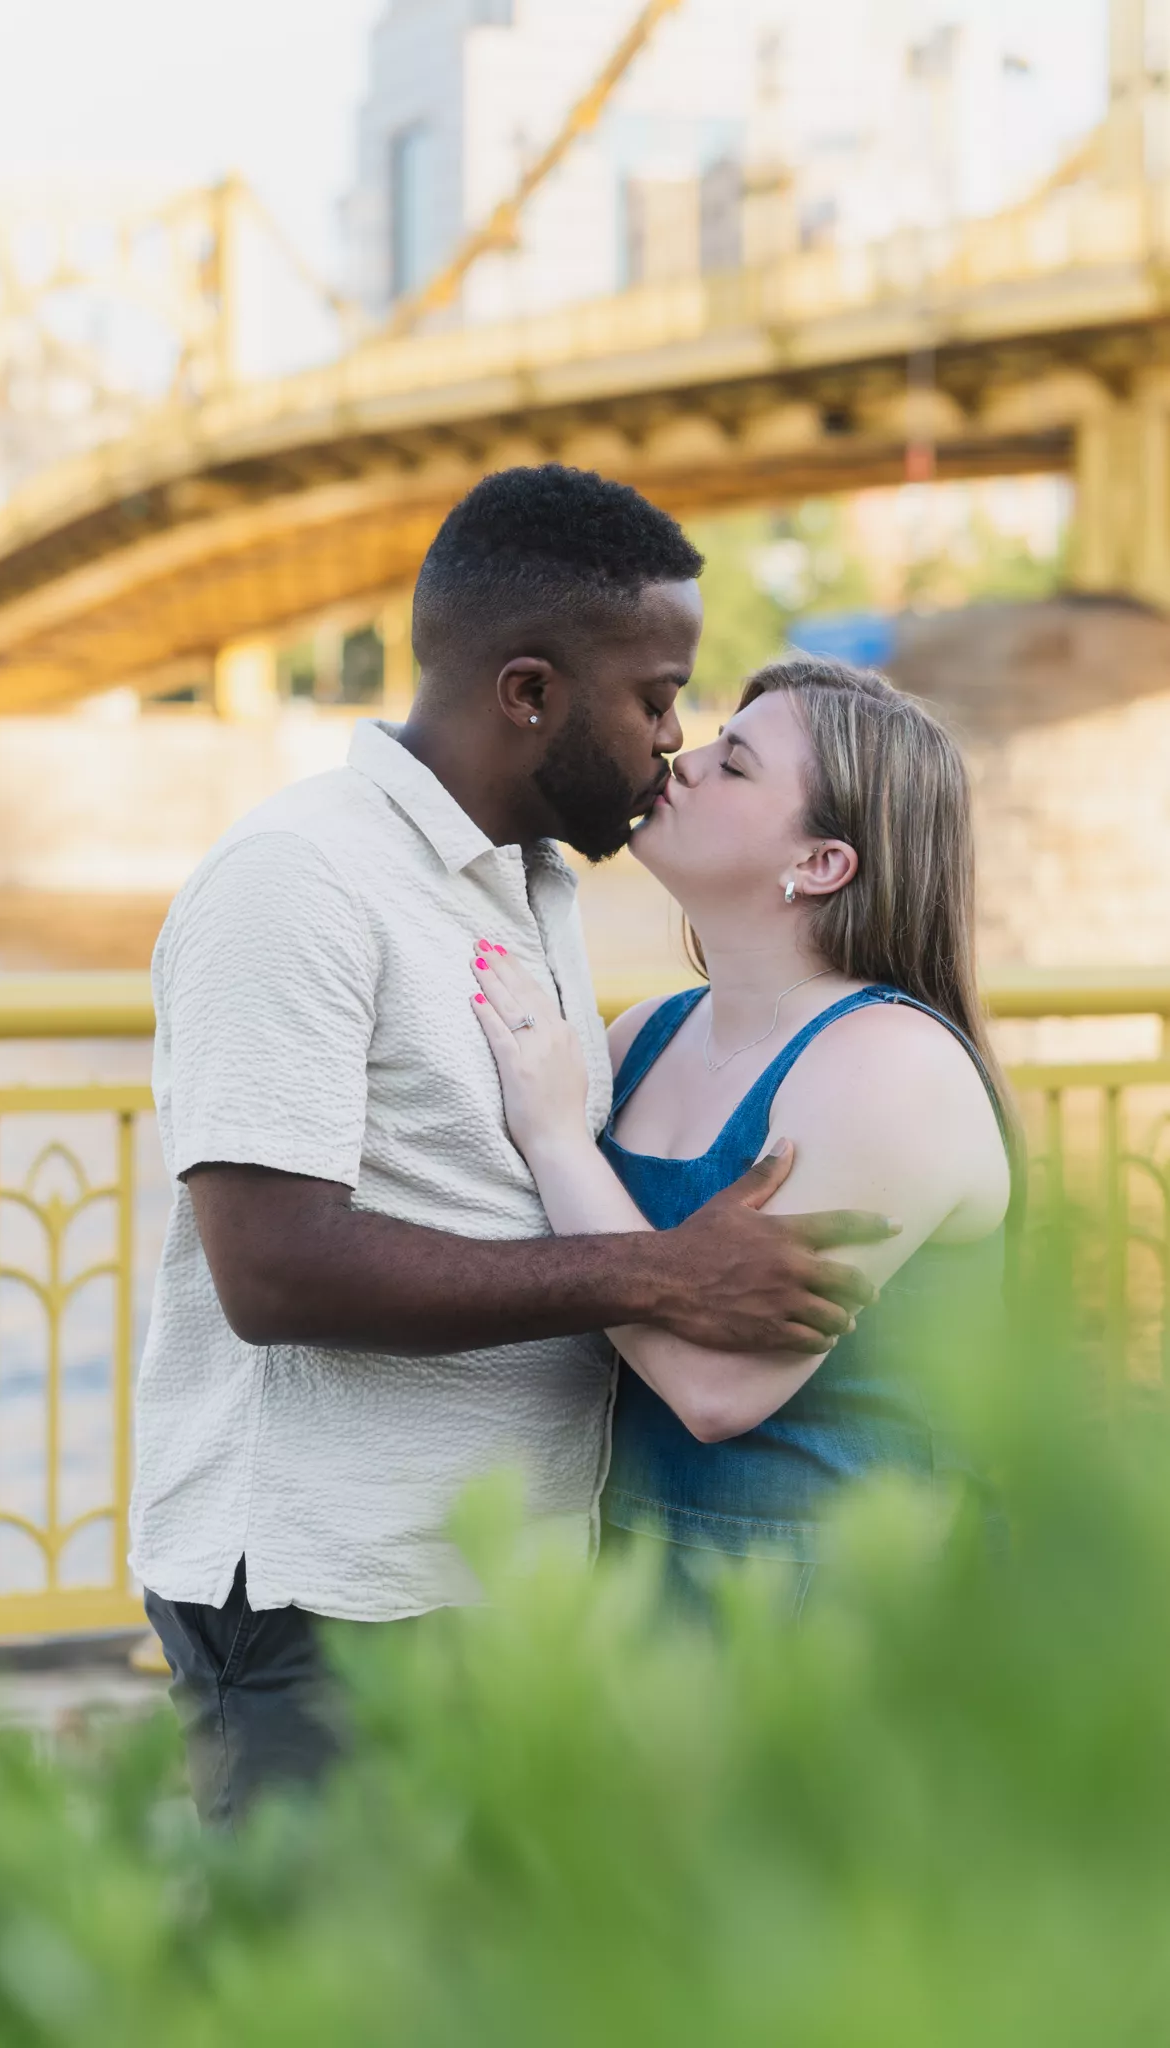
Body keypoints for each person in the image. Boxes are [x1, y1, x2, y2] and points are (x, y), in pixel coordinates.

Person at [131, 468, 894, 1825]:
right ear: (530, 693)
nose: (673, 738)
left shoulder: (530, 877)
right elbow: (275, 1271)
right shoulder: (297, 878)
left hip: (497, 1594)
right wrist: (656, 1272)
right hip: (334, 1603)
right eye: (657, 698)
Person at [469, 656, 1014, 1615]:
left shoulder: (888, 1065)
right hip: (632, 1586)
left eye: (736, 763)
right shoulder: (645, 1035)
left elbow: (720, 1392)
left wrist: (558, 1142)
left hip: (843, 1615)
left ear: (819, 864)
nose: (681, 757)